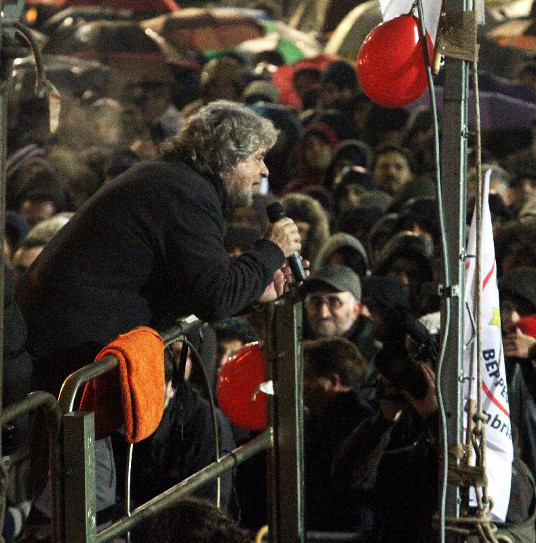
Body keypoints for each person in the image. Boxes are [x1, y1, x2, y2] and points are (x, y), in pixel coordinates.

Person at [17, 100, 303, 538]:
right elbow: (214, 294)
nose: (265, 172)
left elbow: (196, 284)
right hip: (73, 365)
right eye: (258, 158)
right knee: (77, 503)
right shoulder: (185, 194)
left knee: (84, 497)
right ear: (228, 158)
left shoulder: (170, 182)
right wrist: (270, 251)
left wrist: (255, 284)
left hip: (72, 356)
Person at [303, 337, 374, 535]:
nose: (300, 385)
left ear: (334, 382)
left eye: (307, 376)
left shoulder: (358, 425)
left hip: (341, 532)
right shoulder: (318, 420)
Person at [301, 264, 377, 363]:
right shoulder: (293, 350)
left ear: (355, 309)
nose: (323, 313)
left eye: (334, 302)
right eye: (315, 301)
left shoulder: (376, 362)